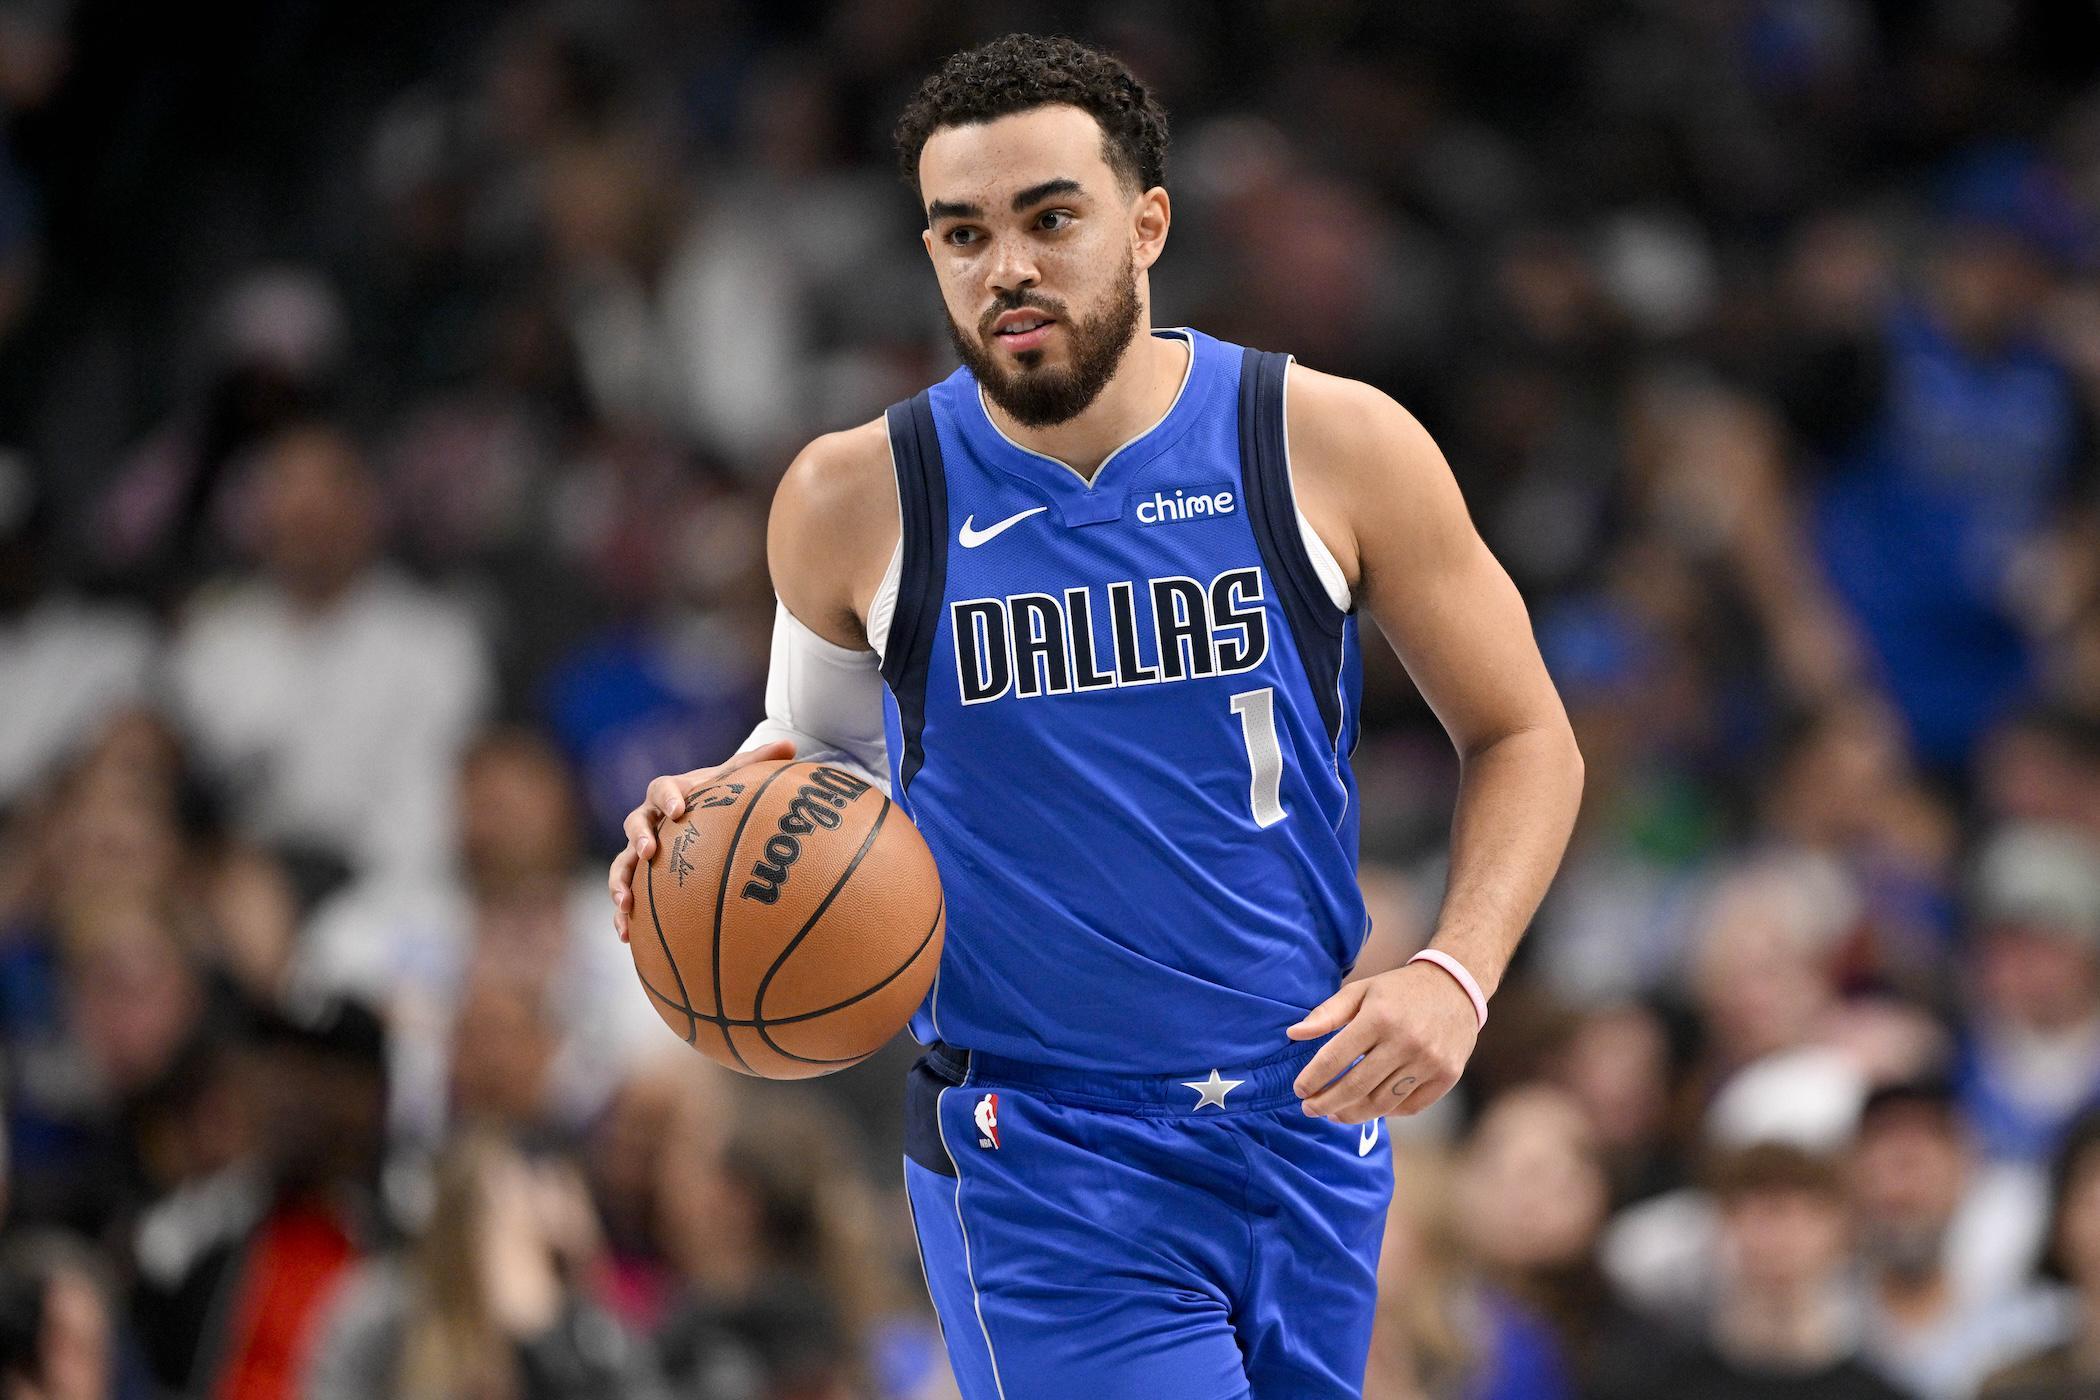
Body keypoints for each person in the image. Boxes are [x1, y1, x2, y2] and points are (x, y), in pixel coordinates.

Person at [605, 34, 1583, 1398]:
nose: (1005, 266)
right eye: (963, 233)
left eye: (1049, 218)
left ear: (1148, 224)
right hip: (1040, 1153)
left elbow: (1526, 734)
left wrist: (1456, 972)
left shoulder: (1327, 442)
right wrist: (709, 819)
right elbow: (819, 764)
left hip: (1307, 1112)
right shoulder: (853, 496)